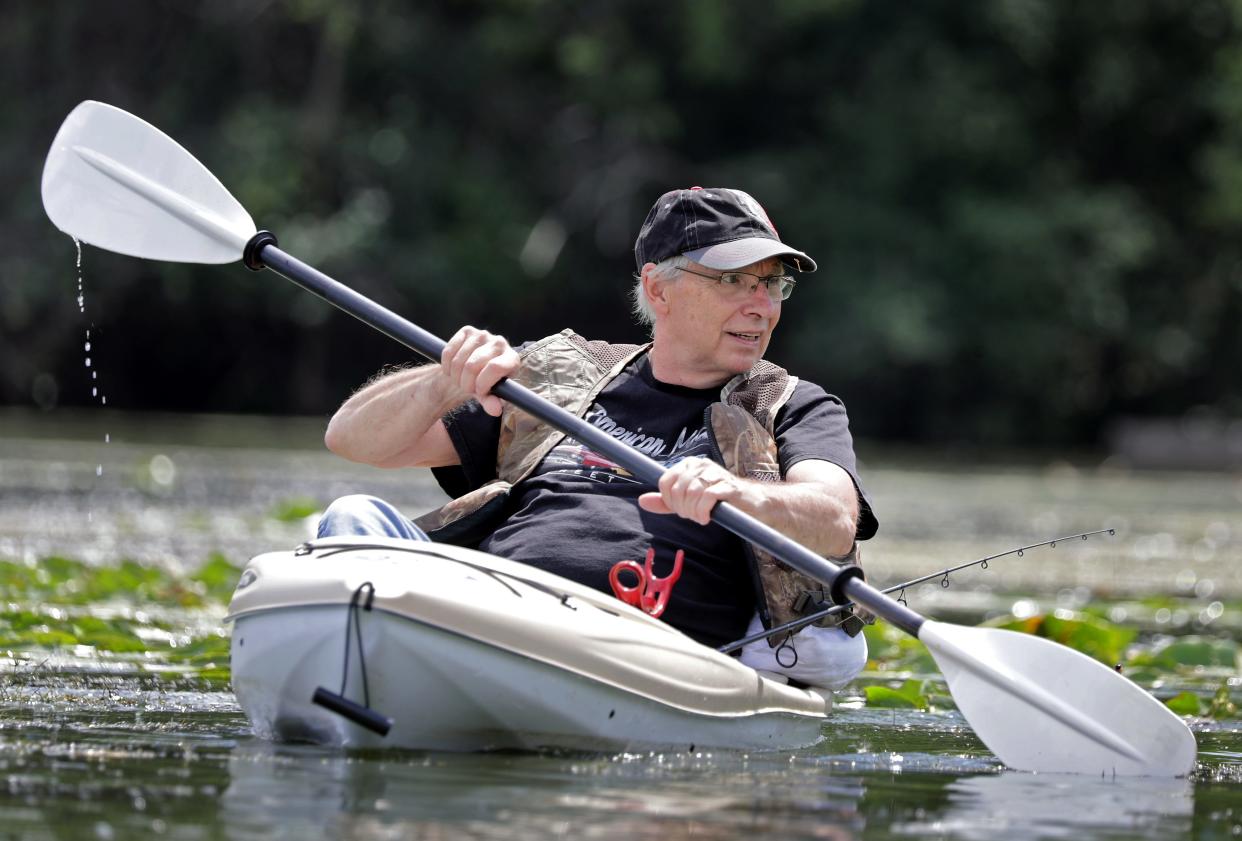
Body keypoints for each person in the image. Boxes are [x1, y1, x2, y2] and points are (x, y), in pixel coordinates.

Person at [318, 187, 879, 689]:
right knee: (352, 517)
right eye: (734, 280)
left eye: (771, 283)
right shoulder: (561, 378)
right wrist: (445, 378)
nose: (760, 305)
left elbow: (833, 519)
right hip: (484, 608)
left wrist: (738, 494)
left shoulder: (793, 404)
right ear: (659, 290)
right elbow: (352, 440)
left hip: (638, 651)